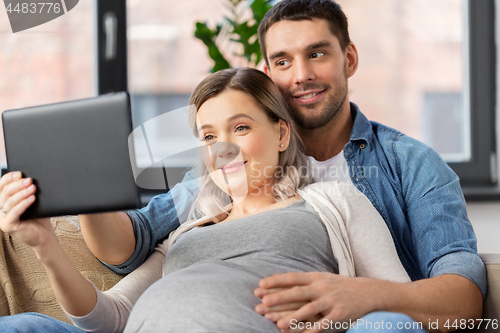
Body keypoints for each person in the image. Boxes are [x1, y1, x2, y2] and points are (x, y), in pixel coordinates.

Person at [1, 0, 486, 332]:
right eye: (282, 61)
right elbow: (127, 251)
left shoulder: (396, 172)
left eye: (317, 53)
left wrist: (359, 297)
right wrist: (83, 192)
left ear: (349, 58)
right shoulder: (203, 199)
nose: (301, 75)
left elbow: (461, 300)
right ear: (268, 73)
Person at [0, 67, 411, 333]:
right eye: (210, 136)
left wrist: (338, 314)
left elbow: (400, 304)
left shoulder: (333, 201)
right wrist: (45, 246)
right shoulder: (184, 232)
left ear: (282, 134)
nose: (223, 149)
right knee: (22, 328)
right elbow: (106, 317)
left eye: (242, 127)